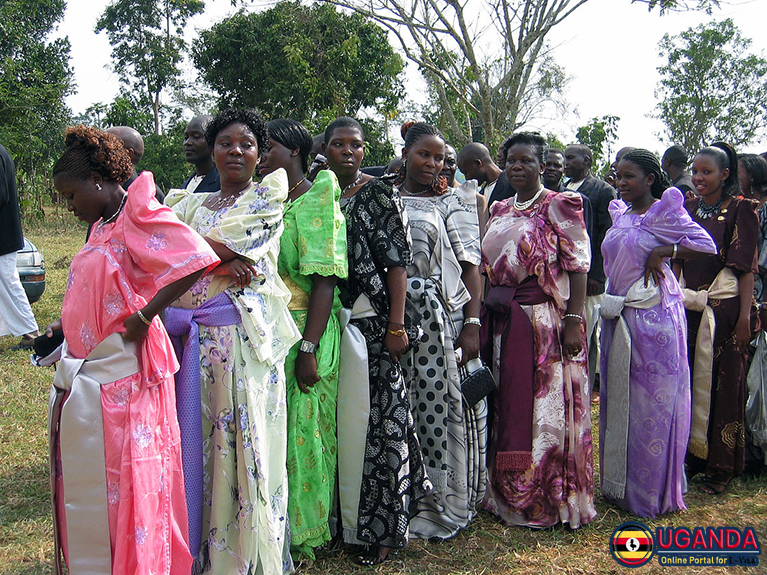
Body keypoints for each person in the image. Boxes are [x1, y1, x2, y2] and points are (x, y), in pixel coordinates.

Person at [47, 125, 219, 575]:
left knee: (129, 481)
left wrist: (147, 314)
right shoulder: (101, 222)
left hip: (129, 377)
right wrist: (61, 325)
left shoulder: (137, 211)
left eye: (70, 196)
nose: (68, 207)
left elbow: (196, 256)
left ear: (98, 182)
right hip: (95, 374)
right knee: (101, 483)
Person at [164, 109, 301, 573]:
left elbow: (197, 251)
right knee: (199, 442)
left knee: (245, 444)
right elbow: (159, 250)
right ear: (212, 149)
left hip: (242, 345)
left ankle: (241, 558)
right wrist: (218, 261)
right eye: (226, 142)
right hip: (194, 344)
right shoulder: (190, 203)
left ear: (261, 155)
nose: (235, 151)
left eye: (246, 144)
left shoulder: (267, 196)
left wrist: (207, 256)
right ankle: (200, 549)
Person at [326, 116, 432, 566]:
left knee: (383, 423)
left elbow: (397, 265)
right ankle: (347, 522)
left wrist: (395, 325)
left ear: (365, 151)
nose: (348, 152)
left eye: (356, 145)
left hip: (374, 324)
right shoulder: (325, 192)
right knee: (350, 427)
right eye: (338, 145)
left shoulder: (379, 193)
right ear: (325, 151)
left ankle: (385, 530)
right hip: (338, 325)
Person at [481, 132, 596, 529]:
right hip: (502, 320)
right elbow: (484, 267)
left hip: (542, 321)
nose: (517, 166)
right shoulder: (497, 208)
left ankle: (542, 496)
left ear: (542, 165)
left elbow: (579, 265)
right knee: (508, 402)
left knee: (541, 408)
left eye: (526, 160)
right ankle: (506, 491)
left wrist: (574, 320)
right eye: (511, 159)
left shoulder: (560, 204)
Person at [599, 149, 716, 517]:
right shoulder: (620, 212)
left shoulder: (664, 211)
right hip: (618, 316)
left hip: (654, 322)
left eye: (629, 176)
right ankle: (618, 485)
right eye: (617, 176)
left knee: (652, 406)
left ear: (650, 179)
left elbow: (706, 247)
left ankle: (649, 493)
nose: (621, 183)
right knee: (620, 399)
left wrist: (665, 250)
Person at [259, 118, 347, 562]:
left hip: (306, 330)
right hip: (270, 329)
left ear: (293, 152)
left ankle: (306, 532)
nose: (260, 155)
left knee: (305, 431)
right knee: (275, 431)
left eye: (267, 146)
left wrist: (309, 349)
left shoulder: (319, 195)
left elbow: (325, 282)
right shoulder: (270, 199)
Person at [395, 122, 487, 539]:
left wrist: (471, 324)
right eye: (424, 155)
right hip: (391, 318)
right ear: (406, 154)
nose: (432, 164)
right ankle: (401, 497)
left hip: (441, 321)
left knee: (443, 406)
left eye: (439, 157)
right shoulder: (382, 195)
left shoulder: (456, 202)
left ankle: (443, 501)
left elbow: (472, 267)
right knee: (401, 405)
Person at [679, 142, 759, 495]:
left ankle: (721, 468)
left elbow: (746, 271)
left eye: (706, 172)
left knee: (725, 388)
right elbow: (677, 253)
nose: (698, 178)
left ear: (725, 175)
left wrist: (744, 319)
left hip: (725, 313)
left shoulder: (742, 209)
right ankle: (693, 457)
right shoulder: (689, 206)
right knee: (691, 383)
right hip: (690, 308)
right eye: (695, 171)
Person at [564, 144, 617, 397]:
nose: (566, 162)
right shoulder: (564, 189)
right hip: (569, 276)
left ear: (586, 160)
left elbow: (604, 235)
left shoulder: (602, 190)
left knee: (587, 331)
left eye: (571, 158)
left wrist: (598, 274)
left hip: (591, 277)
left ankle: (586, 383)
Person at [0, 141, 39, 350]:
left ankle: (31, 332)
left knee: (8, 282)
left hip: (3, 233)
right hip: (5, 232)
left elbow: (1, 195)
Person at [544, 148, 593, 238]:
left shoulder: (577, 200)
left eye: (557, 165)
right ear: (541, 167)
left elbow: (585, 238)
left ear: (564, 170)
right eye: (548, 164)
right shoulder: (529, 198)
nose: (551, 168)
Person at [181, 115, 220, 193]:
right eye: (186, 137)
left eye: (196, 136)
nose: (187, 142)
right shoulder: (185, 185)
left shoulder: (222, 184)